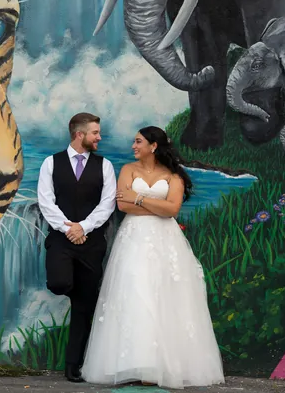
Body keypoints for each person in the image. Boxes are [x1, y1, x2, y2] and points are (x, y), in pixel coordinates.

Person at [81, 126, 225, 389]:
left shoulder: (173, 175)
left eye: (138, 142)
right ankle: (135, 362)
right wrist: (145, 203)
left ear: (153, 146)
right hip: (133, 239)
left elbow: (172, 210)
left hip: (165, 241)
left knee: (166, 296)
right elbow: (122, 205)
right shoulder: (127, 170)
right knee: (134, 293)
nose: (133, 146)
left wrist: (138, 198)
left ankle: (163, 365)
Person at [37, 112, 117, 383]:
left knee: (84, 306)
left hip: (92, 243)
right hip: (61, 240)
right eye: (95, 133)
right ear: (79, 134)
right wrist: (68, 228)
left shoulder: (105, 166)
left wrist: (83, 227)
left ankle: (73, 365)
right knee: (59, 283)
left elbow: (107, 204)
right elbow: (45, 201)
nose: (99, 137)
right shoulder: (51, 163)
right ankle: (72, 288)